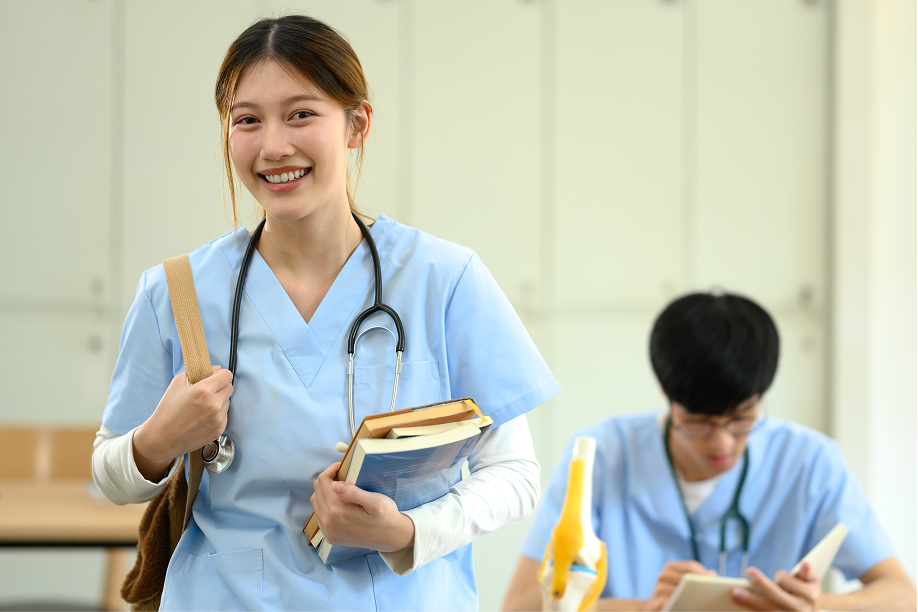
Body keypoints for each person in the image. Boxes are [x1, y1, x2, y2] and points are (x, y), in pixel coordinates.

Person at [91, 15, 560, 611]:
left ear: (357, 124)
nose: (273, 146)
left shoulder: (444, 280)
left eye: (302, 113)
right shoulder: (177, 293)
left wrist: (407, 532)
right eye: (247, 120)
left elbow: (515, 474)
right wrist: (156, 441)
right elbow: (111, 473)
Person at [502, 292, 916, 611]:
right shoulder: (602, 457)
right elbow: (520, 605)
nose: (722, 442)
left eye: (742, 417)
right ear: (667, 395)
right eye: (699, 420)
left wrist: (811, 605)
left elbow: (902, 596)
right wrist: (650, 608)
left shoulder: (809, 462)